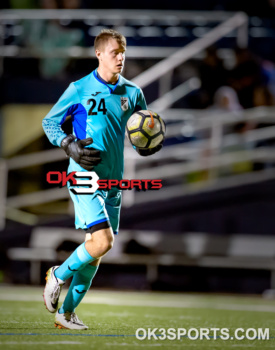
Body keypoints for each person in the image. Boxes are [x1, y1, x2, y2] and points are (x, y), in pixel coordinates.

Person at [42, 29, 162, 330]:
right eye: (114, 52)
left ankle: (65, 314)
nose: (120, 57)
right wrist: (68, 144)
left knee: (96, 252)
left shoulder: (133, 92)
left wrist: (148, 144)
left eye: (123, 52)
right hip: (84, 176)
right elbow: (50, 122)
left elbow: (140, 130)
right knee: (103, 241)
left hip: (113, 182)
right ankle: (57, 275)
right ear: (99, 54)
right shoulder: (79, 88)